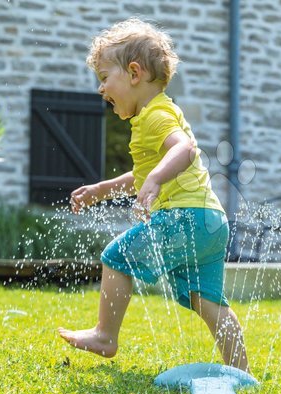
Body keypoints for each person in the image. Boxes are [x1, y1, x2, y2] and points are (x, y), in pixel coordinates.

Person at [58, 18, 250, 372]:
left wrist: (158, 178)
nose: (101, 89)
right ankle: (241, 373)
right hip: (210, 222)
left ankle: (105, 335)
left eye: (104, 77)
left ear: (134, 73)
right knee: (208, 302)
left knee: (116, 256)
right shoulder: (157, 114)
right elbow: (142, 174)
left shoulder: (155, 116)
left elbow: (186, 150)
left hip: (184, 217)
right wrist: (103, 189)